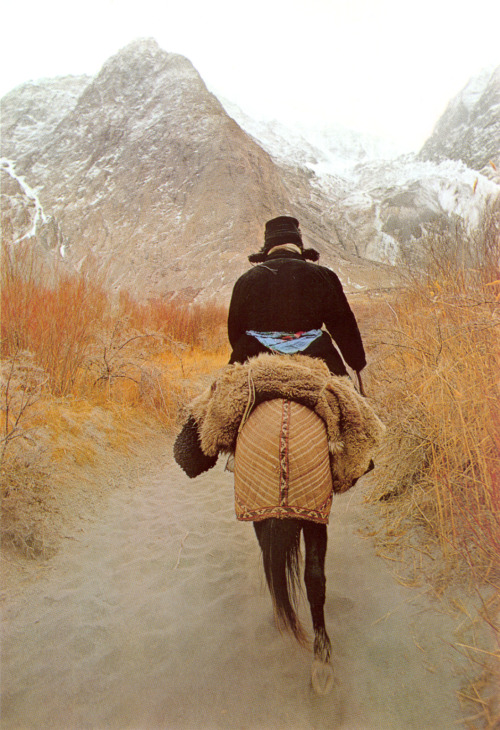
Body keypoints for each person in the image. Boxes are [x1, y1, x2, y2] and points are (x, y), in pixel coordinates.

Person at [227, 215, 367, 394]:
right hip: (317, 354)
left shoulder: (246, 279)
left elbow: (235, 332)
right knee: (357, 414)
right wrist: (356, 362)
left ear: (267, 248)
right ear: (299, 246)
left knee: (209, 409)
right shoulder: (323, 275)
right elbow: (343, 325)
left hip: (254, 355)